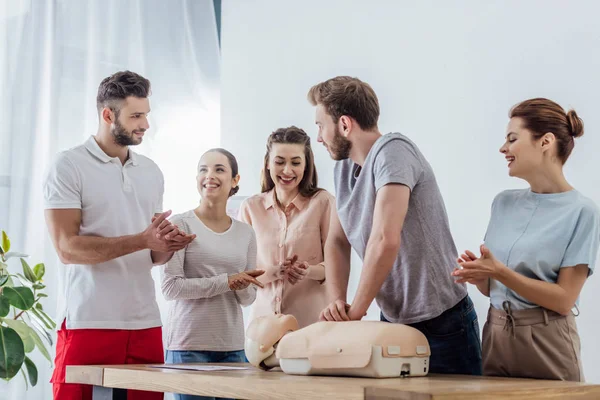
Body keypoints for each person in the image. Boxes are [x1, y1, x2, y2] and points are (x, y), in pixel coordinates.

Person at [309, 76, 481, 375]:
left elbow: (384, 239)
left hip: (443, 322)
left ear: (345, 125)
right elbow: (337, 241)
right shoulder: (343, 168)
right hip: (393, 320)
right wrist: (337, 301)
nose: (319, 138)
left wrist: (356, 312)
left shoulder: (393, 151)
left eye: (320, 126)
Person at [44, 70, 194, 400]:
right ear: (108, 115)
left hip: (145, 324)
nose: (145, 124)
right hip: (90, 321)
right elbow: (67, 248)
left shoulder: (151, 172)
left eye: (146, 114)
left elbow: (153, 255)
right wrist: (142, 239)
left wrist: (166, 246)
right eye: (136, 115)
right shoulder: (68, 166)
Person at [453, 98, 600, 381]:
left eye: (512, 138)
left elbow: (564, 300)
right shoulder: (502, 203)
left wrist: (499, 272)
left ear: (545, 141)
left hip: (548, 341)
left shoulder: (582, 212)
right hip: (496, 333)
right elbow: (495, 288)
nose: (503, 148)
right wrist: (481, 275)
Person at [162, 148, 263, 400]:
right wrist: (226, 282)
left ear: (235, 180)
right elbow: (171, 287)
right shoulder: (180, 224)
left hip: (233, 348)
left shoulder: (246, 233)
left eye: (219, 169)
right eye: (203, 169)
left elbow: (248, 299)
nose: (210, 175)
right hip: (189, 347)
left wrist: (241, 285)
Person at [238, 126, 335, 328]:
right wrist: (275, 271)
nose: (287, 170)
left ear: (306, 165)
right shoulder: (250, 208)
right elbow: (241, 274)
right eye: (279, 162)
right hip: (262, 328)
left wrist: (308, 271)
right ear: (267, 163)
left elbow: (336, 267)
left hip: (309, 325)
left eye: (296, 163)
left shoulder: (323, 202)